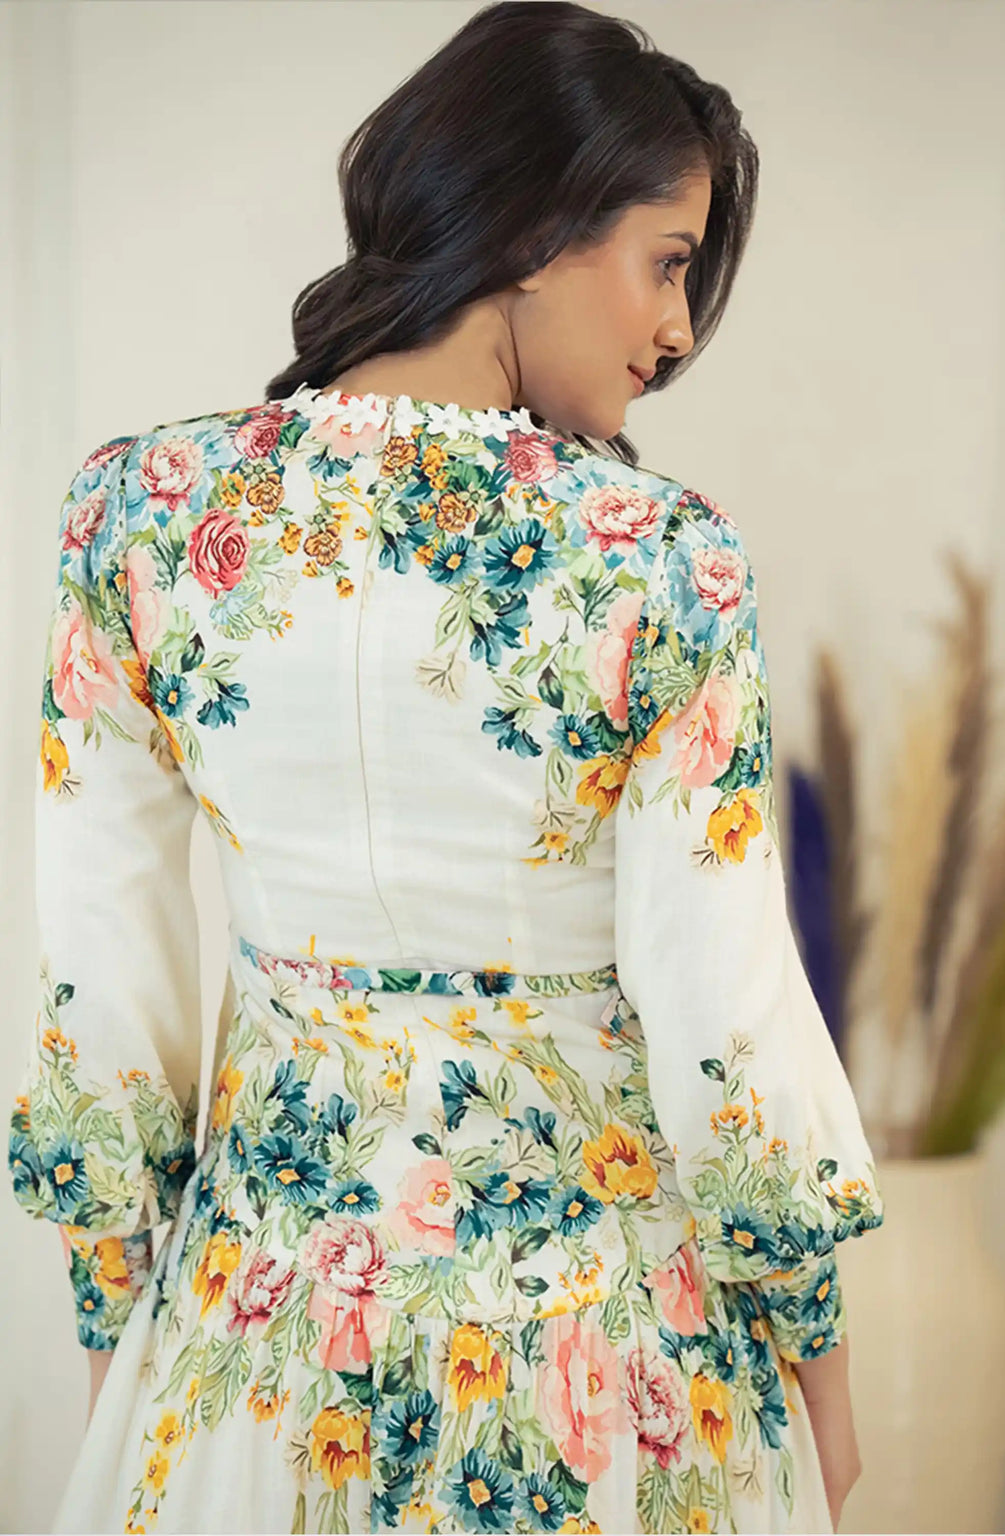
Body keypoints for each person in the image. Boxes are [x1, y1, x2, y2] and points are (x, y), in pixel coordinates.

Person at [7, 2, 883, 1532]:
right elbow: (725, 1022)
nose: (678, 330)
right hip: (599, 1356)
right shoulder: (656, 562)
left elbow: (103, 978)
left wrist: (115, 1332)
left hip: (254, 1350)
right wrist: (820, 1359)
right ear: (539, 230)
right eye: (667, 261)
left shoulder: (136, 520)